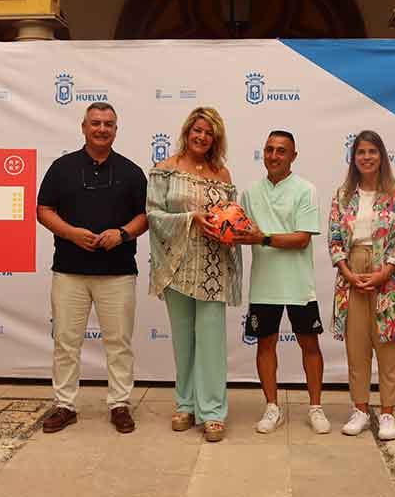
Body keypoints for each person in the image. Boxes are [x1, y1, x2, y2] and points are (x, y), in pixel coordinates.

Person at [36, 102, 148, 434]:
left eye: (108, 124)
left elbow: (145, 217)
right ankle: (64, 404)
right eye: (95, 123)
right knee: (66, 342)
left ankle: (119, 404)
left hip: (118, 272)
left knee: (119, 343)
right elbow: (43, 209)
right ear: (83, 127)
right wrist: (70, 233)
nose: (102, 129)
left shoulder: (131, 171)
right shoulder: (61, 167)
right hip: (69, 272)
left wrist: (122, 233)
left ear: (116, 130)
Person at [146, 106, 241, 443]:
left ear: (216, 138)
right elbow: (153, 216)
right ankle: (185, 405)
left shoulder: (223, 174)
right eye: (197, 130)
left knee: (212, 343)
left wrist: (231, 226)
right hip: (177, 268)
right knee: (184, 341)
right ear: (187, 131)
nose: (201, 137)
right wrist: (190, 218)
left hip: (213, 268)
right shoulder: (165, 171)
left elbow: (232, 216)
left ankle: (213, 412)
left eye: (208, 132)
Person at [232, 130, 330, 435]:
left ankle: (315, 407)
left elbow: (301, 239)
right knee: (265, 344)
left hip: (299, 285)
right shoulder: (249, 192)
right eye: (269, 150)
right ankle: (272, 407)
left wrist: (262, 237)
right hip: (264, 284)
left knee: (309, 345)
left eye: (281, 151)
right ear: (263, 152)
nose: (274, 156)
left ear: (293, 156)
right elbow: (239, 233)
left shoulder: (305, 190)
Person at [327, 129, 395, 440]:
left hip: (389, 277)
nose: (366, 157)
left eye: (372, 152)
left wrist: (383, 273)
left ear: (382, 156)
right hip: (352, 274)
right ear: (353, 158)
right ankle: (361, 409)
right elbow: (334, 239)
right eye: (361, 152)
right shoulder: (342, 195)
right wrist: (347, 272)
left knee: (388, 347)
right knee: (357, 346)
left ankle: (388, 412)